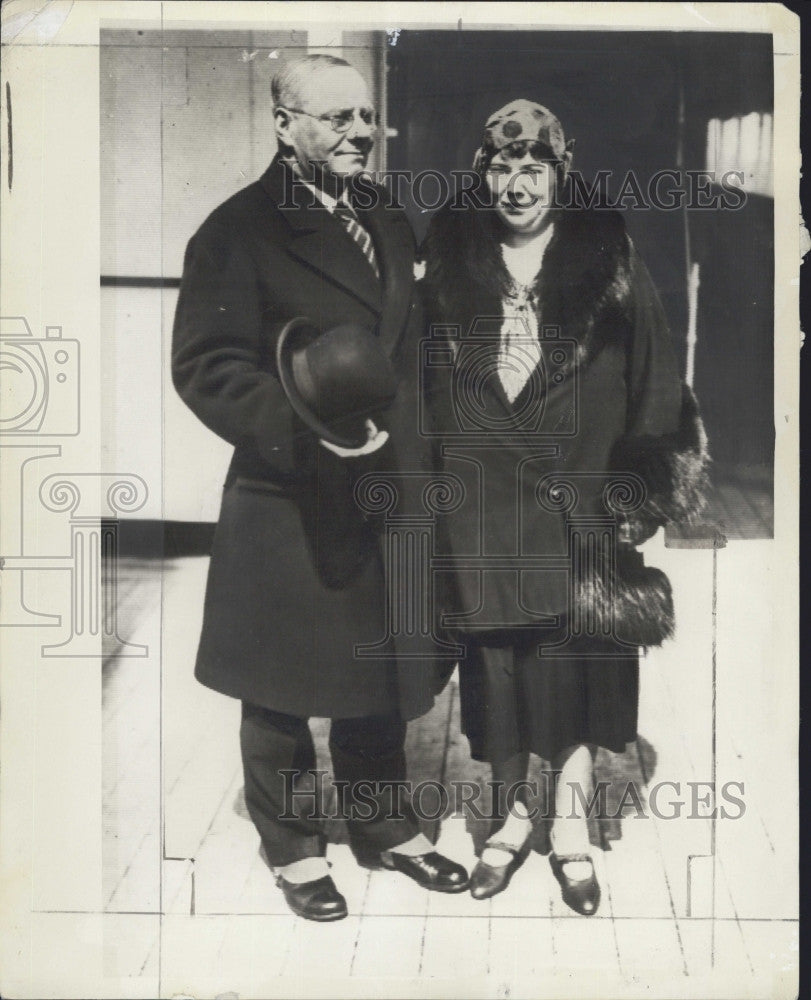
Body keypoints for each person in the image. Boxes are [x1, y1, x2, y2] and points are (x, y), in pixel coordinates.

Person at [172, 53, 468, 923]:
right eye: (335, 118)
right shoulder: (237, 229)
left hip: (394, 490)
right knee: (281, 682)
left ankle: (384, 831)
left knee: (380, 669)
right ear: (283, 123)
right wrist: (313, 432)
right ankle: (295, 849)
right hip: (293, 493)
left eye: (365, 118)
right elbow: (206, 367)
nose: (358, 135)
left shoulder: (386, 214)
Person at [420, 100, 709, 914]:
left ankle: (572, 827)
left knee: (573, 662)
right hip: (479, 505)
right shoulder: (448, 257)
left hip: (577, 501)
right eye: (503, 169)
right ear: (483, 174)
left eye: (534, 169)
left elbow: (657, 379)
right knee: (496, 665)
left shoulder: (604, 254)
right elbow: (419, 377)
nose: (517, 186)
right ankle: (512, 821)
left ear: (560, 172)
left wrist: (642, 489)